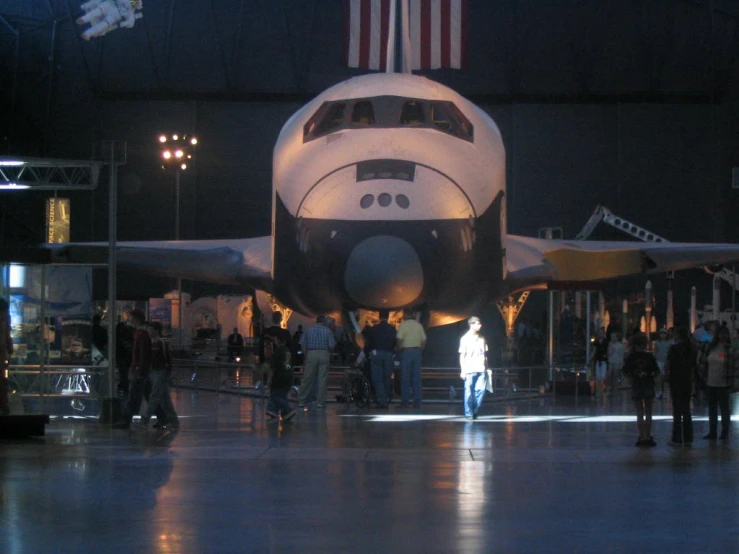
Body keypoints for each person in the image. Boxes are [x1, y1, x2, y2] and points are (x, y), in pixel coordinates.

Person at [113, 309, 151, 429]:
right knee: (148, 395)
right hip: (141, 368)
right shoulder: (141, 333)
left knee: (134, 396)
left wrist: (137, 367)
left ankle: (126, 419)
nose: (130, 320)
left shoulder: (141, 334)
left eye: (132, 318)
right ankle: (164, 417)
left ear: (136, 319)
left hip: (140, 369)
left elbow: (141, 353)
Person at [698, 325, 735, 441]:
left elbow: (733, 366)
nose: (723, 336)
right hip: (710, 383)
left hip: (724, 384)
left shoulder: (730, 349)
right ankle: (712, 432)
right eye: (721, 334)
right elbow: (703, 363)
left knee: (724, 410)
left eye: (725, 334)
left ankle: (724, 433)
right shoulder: (709, 348)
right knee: (712, 409)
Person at [622, 333, 661, 447]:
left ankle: (641, 436)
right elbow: (657, 372)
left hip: (636, 385)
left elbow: (625, 372)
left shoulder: (631, 357)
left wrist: (632, 378)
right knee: (648, 412)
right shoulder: (649, 357)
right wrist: (649, 376)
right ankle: (647, 436)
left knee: (639, 412)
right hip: (648, 385)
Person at [665, 326, 697, 446]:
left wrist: (666, 376)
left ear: (677, 335)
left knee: (677, 410)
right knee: (686, 409)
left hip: (676, 380)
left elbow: (668, 365)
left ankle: (677, 438)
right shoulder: (692, 348)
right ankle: (688, 437)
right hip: (687, 380)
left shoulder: (674, 348)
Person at [146, 322, 179, 430]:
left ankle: (145, 419)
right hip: (153, 372)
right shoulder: (149, 343)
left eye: (151, 329)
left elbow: (167, 359)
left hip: (160, 372)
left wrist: (168, 371)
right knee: (165, 399)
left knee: (155, 397)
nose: (149, 331)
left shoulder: (161, 343)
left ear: (156, 330)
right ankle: (173, 421)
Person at [298, 315, 335, 409]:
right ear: (323, 322)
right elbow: (331, 345)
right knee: (322, 379)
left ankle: (302, 401)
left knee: (307, 378)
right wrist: (328, 353)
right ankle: (320, 402)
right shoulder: (328, 331)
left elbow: (302, 344)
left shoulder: (308, 330)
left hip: (311, 353)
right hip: (324, 353)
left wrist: (306, 355)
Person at [363, 310, 396, 408]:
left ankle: (382, 401)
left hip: (376, 354)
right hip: (389, 355)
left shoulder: (374, 329)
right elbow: (395, 341)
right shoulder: (392, 329)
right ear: (388, 317)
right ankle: (387, 396)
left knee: (377, 378)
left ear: (379, 317)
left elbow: (368, 343)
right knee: (387, 376)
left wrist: (367, 352)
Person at [459, 316, 488, 420]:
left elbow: (485, 354)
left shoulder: (482, 339)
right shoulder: (465, 339)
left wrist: (487, 367)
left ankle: (474, 410)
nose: (480, 326)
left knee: (481, 390)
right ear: (472, 325)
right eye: (477, 324)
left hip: (481, 368)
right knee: (469, 391)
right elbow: (462, 355)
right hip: (469, 368)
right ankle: (469, 413)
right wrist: (462, 370)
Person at [396, 309, 426, 408]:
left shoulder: (403, 325)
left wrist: (399, 349)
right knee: (416, 378)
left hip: (406, 352)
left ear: (405, 315)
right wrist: (420, 350)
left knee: (405, 378)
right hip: (417, 352)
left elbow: (399, 339)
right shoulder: (419, 325)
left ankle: (405, 402)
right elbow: (424, 340)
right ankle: (417, 402)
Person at [266, 334, 296, 422]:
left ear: (278, 341)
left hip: (280, 376)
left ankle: (288, 410)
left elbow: (273, 367)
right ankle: (272, 410)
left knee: (276, 395)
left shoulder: (278, 351)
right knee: (281, 394)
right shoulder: (287, 350)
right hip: (289, 375)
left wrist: (269, 380)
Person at [0, 298, 13, 416]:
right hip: (2, 352)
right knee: (3, 380)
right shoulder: (5, 318)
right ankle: (3, 405)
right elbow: (7, 335)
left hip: (2, 352)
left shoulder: (5, 318)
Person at [589, 328, 609, 396]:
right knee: (598, 376)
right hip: (598, 360)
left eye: (601, 333)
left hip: (604, 361)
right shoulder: (596, 342)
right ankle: (598, 391)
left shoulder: (606, 342)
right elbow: (594, 351)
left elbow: (609, 351)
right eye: (599, 333)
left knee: (603, 376)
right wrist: (590, 359)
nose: (600, 334)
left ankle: (604, 388)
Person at [653, 328, 671, 399]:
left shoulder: (669, 342)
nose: (662, 335)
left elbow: (670, 352)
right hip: (658, 360)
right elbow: (655, 351)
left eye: (664, 334)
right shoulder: (657, 342)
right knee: (658, 377)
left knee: (664, 377)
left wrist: (668, 360)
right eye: (661, 334)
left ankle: (663, 392)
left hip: (666, 361)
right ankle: (659, 391)